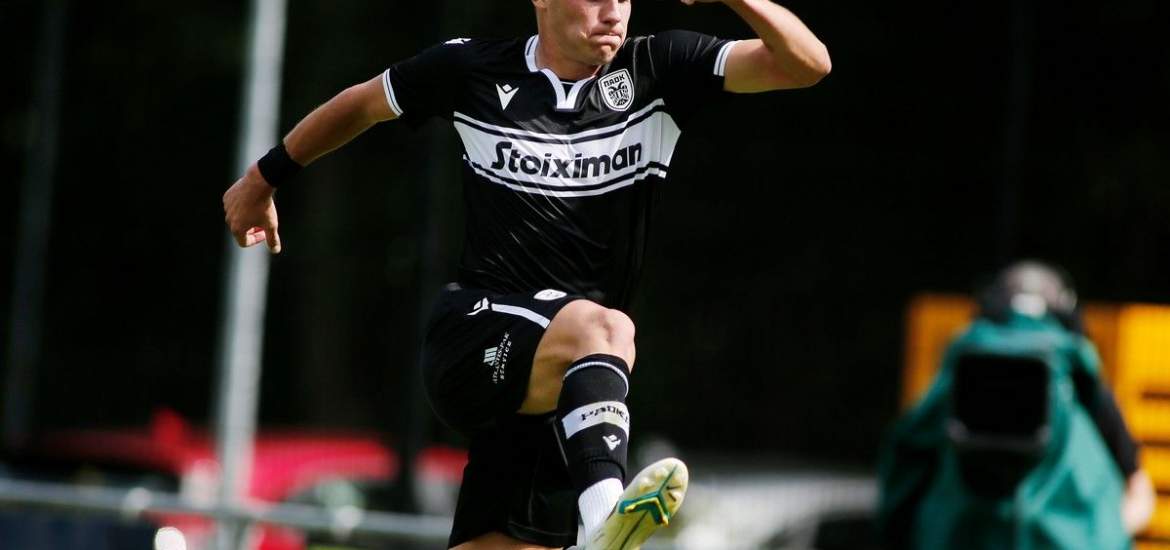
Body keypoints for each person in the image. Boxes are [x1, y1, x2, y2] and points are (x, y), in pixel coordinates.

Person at [222, 1, 830, 548]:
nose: (614, 12)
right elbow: (361, 104)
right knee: (608, 328)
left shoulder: (660, 69)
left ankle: (599, 526)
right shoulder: (471, 69)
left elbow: (807, 65)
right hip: (475, 337)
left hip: (565, 396)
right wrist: (262, 179)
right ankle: (606, 524)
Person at [878, 261, 1155, 549]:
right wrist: (1102, 531)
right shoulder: (1076, 370)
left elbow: (903, 465)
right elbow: (1138, 491)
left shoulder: (963, 362)